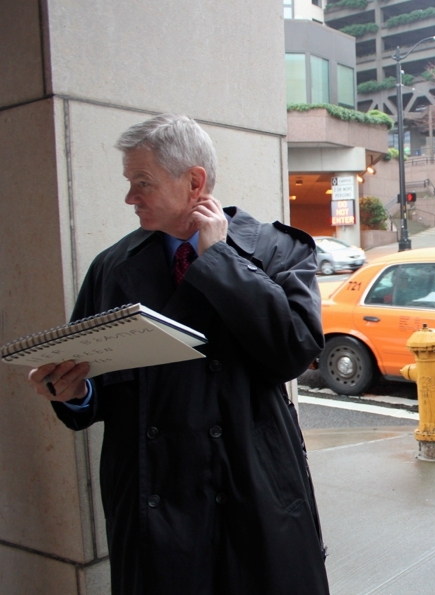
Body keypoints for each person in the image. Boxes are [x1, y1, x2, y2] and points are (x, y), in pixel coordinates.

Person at [26, 114, 330, 594]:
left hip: (252, 487)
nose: (130, 197)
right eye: (130, 183)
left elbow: (292, 351)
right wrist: (75, 392)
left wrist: (220, 261)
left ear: (194, 181)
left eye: (141, 182)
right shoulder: (112, 267)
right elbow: (93, 386)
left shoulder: (276, 250)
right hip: (153, 499)